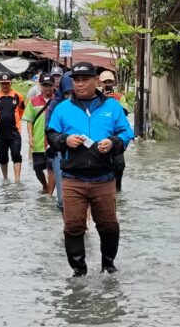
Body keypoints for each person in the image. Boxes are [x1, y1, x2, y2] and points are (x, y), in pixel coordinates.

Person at [47, 62, 134, 276]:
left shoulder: (112, 107)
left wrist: (113, 142)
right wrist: (65, 140)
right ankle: (79, 272)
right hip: (72, 178)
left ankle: (108, 265)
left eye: (85, 79)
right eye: (76, 80)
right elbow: (51, 134)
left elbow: (126, 133)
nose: (80, 84)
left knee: (109, 225)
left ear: (96, 81)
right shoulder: (63, 108)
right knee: (73, 227)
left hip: (104, 178)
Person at [0, 73, 26, 183]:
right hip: (0, 133)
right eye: (3, 83)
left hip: (15, 132)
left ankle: (17, 180)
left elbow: (21, 111)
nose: (5, 85)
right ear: (0, 84)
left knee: (16, 155)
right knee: (3, 156)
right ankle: (5, 178)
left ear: (11, 83)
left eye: (7, 83)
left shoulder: (18, 96)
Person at [22, 74, 56, 193]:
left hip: (53, 142)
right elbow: (29, 120)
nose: (47, 88)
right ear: (40, 86)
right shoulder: (33, 101)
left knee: (52, 168)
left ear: (53, 86)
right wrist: (30, 137)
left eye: (50, 85)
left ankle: (50, 193)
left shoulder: (57, 102)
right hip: (38, 141)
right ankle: (45, 186)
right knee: (37, 167)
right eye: (45, 85)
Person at [46, 71, 73, 211]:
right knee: (63, 198)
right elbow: (49, 129)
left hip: (83, 154)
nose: (70, 96)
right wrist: (65, 140)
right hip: (60, 152)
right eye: (67, 93)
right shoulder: (55, 105)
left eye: (72, 92)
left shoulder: (87, 105)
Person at [99, 70, 129, 192]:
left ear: (113, 83)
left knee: (119, 165)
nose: (107, 84)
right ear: (100, 83)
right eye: (105, 82)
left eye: (110, 82)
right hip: (101, 135)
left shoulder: (120, 97)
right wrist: (103, 100)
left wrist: (114, 103)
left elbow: (125, 113)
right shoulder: (95, 97)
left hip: (117, 136)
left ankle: (117, 188)